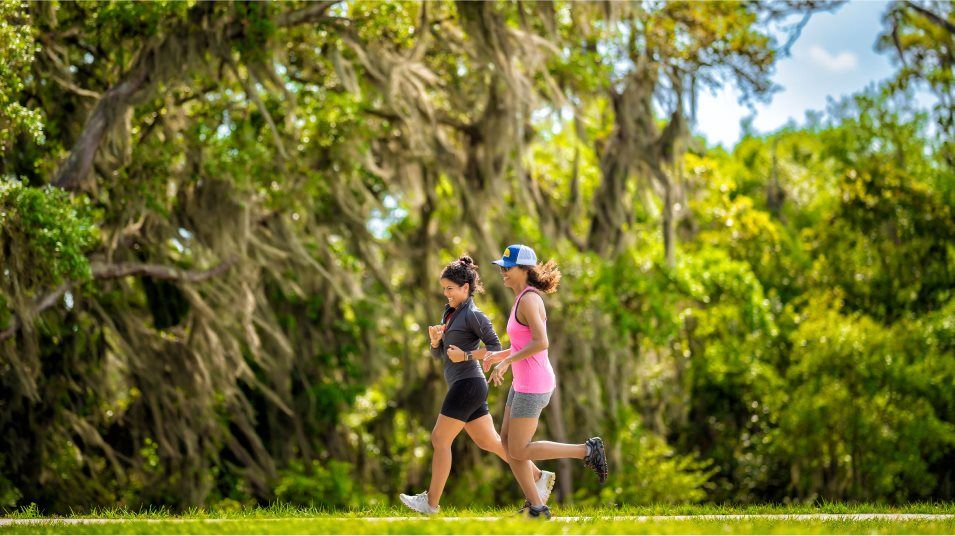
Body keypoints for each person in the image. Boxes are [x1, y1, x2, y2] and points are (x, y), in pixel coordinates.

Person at [399, 255, 556, 515]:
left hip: (469, 384)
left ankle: (431, 503)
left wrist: (467, 355)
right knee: (490, 442)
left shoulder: (474, 315)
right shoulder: (450, 313)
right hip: (462, 383)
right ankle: (538, 476)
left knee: (439, 438)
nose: (446, 293)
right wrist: (435, 342)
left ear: (465, 288)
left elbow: (494, 350)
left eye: (450, 288)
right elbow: (442, 357)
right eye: (444, 288)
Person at [484, 244, 609, 519]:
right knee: (507, 443)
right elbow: (523, 342)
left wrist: (507, 361)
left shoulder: (529, 299)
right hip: (522, 382)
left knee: (518, 448)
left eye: (508, 268)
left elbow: (542, 342)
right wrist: (500, 355)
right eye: (501, 267)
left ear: (524, 270)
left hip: (534, 385)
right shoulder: (520, 299)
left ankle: (586, 450)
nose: (502, 272)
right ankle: (535, 506)